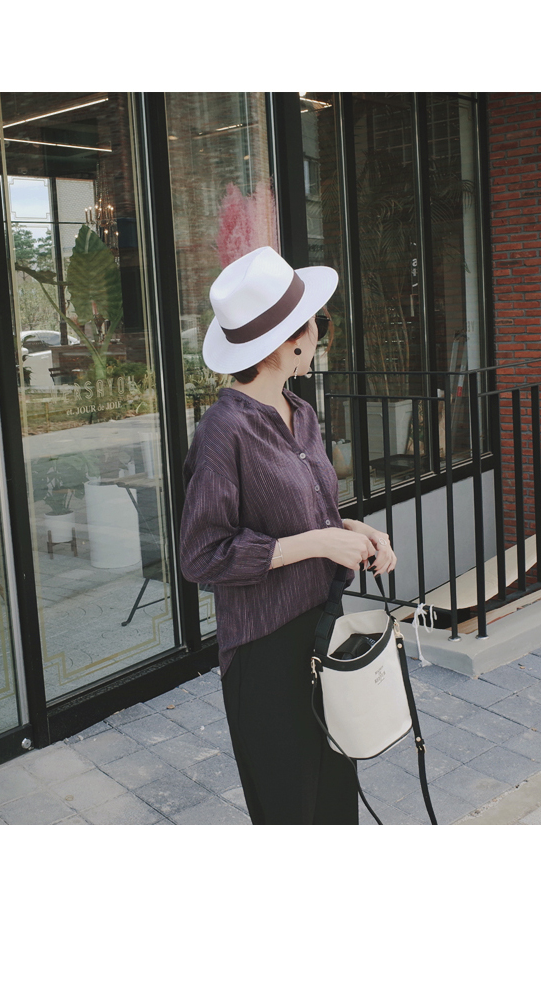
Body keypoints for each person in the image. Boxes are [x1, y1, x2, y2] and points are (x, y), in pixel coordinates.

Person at [179, 246, 397, 825]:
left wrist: (356, 533)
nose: (321, 333)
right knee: (291, 811)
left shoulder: (300, 413)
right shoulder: (223, 431)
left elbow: (309, 518)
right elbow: (201, 556)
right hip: (265, 650)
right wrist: (321, 544)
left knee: (335, 803)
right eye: (314, 323)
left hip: (322, 630)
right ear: (287, 343)